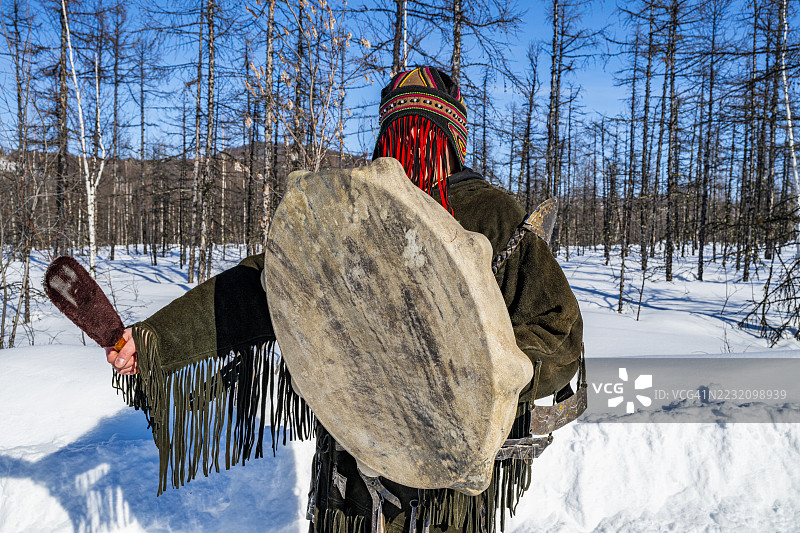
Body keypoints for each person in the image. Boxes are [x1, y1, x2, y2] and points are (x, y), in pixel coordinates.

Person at [106, 66, 583, 533]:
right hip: (365, 475)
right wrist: (156, 340)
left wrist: (468, 375)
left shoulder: (477, 214)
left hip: (427, 487)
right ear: (456, 137)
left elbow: (557, 334)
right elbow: (261, 286)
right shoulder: (360, 209)